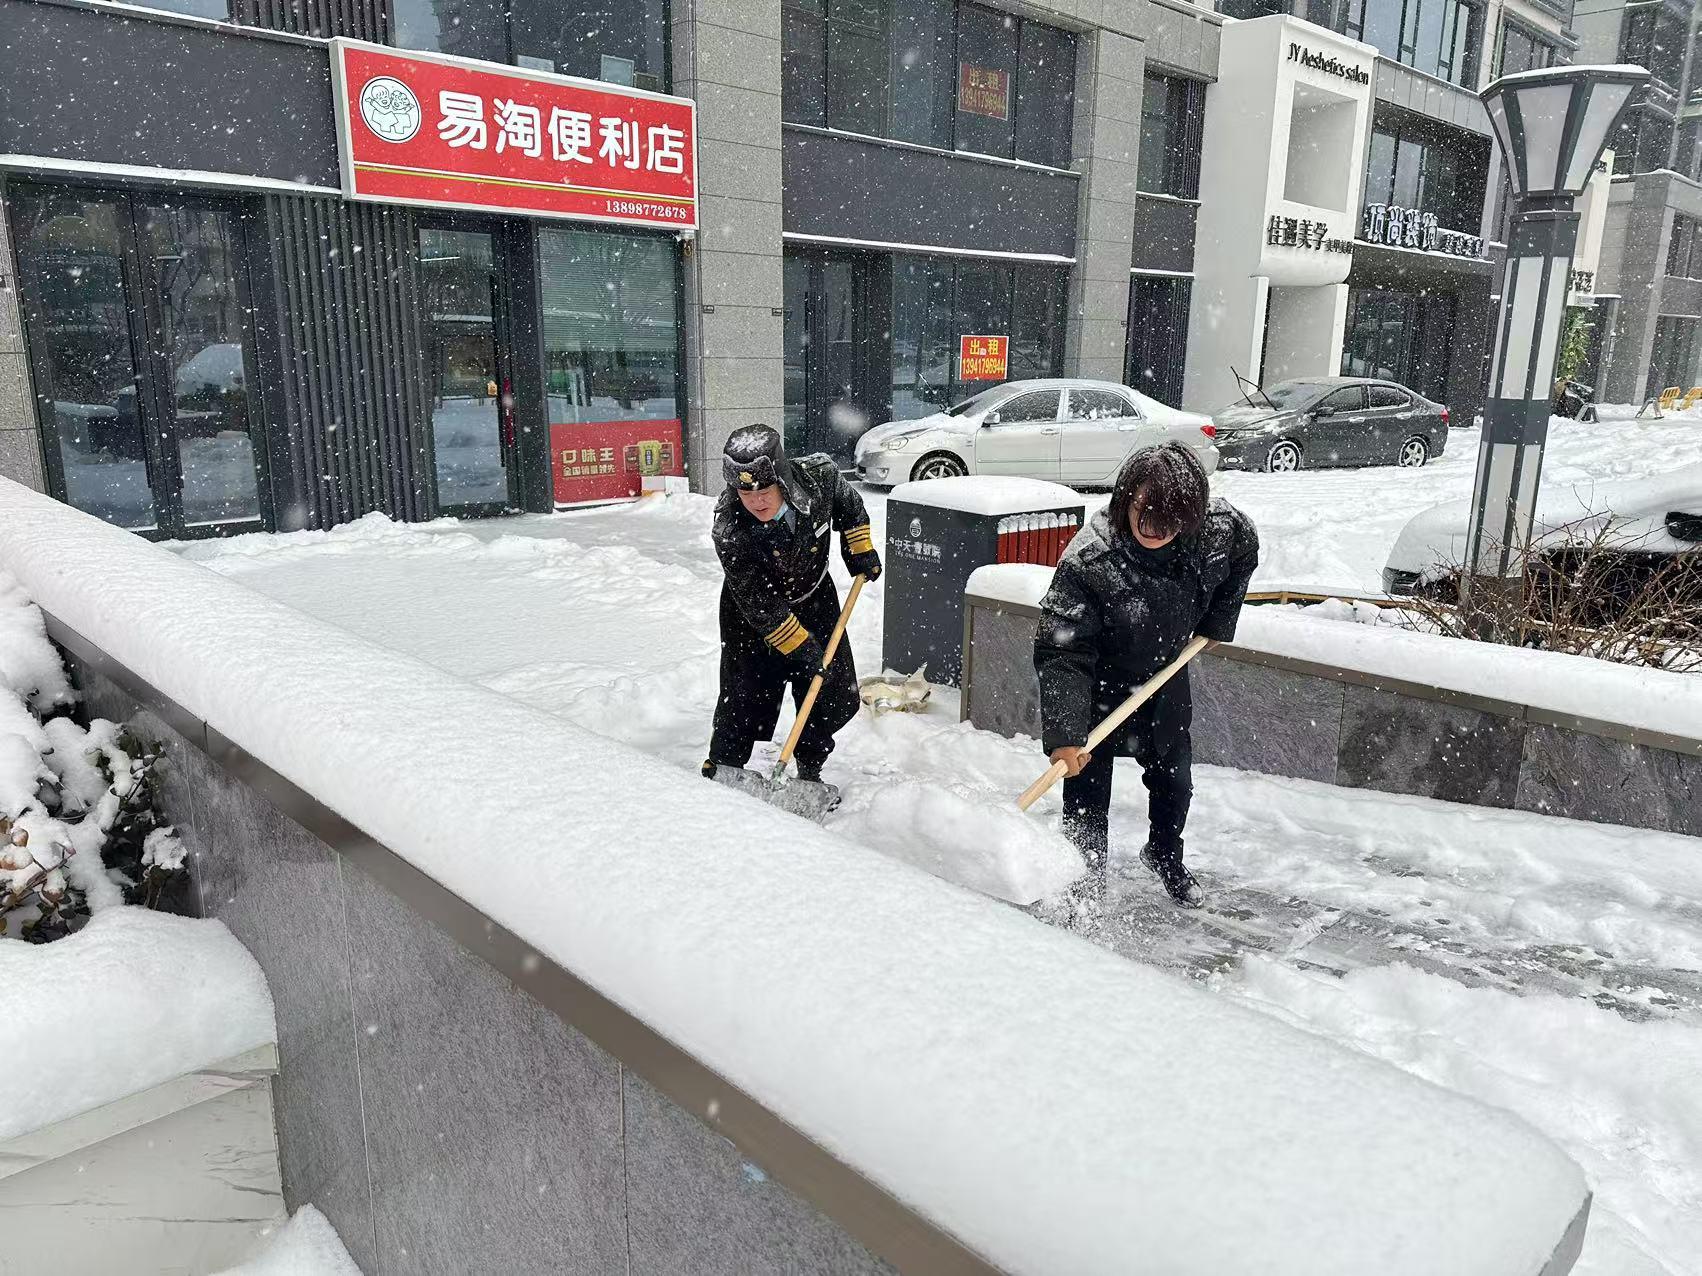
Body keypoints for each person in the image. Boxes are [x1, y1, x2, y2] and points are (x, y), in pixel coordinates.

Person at [1033, 443, 1259, 907]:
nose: (1156, 529)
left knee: (1175, 784)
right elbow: (1063, 649)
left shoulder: (1216, 530)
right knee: (1086, 798)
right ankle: (1083, 886)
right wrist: (1065, 735)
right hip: (1096, 689)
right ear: (1126, 499)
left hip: (1164, 677)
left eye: (1171, 520)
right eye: (1146, 512)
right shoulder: (1091, 560)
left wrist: (1218, 622)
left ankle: (1164, 854)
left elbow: (1246, 547)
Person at [703, 424, 881, 799]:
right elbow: (763, 608)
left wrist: (860, 549)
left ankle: (810, 771)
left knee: (825, 688)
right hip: (751, 615)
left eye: (764, 491)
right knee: (745, 692)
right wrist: (802, 649)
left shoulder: (820, 478)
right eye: (745, 492)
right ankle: (725, 764)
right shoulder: (730, 529)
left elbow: (849, 507)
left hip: (815, 600)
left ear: (782, 479)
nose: (756, 501)